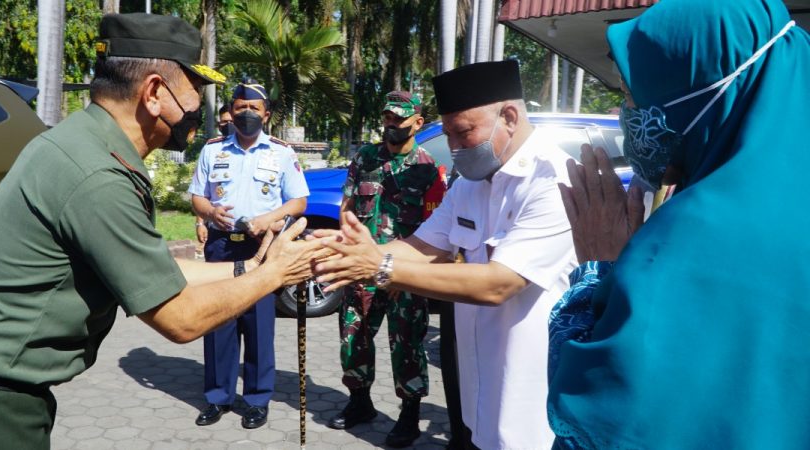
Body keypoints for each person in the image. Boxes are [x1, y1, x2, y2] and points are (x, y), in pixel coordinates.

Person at [0, 14, 322, 450]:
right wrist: (275, 276)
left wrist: (251, 265)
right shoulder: (98, 174)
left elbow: (152, 269)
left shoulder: (80, 140)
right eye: (195, 89)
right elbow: (181, 317)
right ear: (154, 92)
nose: (201, 108)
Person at [547, 0, 810, 447]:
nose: (625, 116)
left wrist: (599, 269)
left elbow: (599, 415)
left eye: (632, 96)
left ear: (706, 95)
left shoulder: (693, 241)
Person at [314, 60, 578, 450]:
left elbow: (499, 283)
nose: (453, 147)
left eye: (463, 132)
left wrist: (380, 267)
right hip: (478, 393)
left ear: (508, 116)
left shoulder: (552, 179)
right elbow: (424, 245)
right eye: (449, 134)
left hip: (530, 403)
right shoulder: (471, 183)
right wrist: (355, 254)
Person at [188, 80, 309, 429]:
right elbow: (197, 196)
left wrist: (271, 218)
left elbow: (299, 201)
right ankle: (217, 397)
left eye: (254, 108)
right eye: (240, 107)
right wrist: (210, 213)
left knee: (258, 326)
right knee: (219, 321)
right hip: (222, 246)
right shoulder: (212, 150)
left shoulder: (282, 153)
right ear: (231, 111)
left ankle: (257, 400)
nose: (246, 113)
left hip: (262, 246)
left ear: (266, 114)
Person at [329, 91, 446, 447]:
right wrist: (348, 252)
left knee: (407, 344)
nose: (391, 125)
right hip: (361, 270)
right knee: (353, 338)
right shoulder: (365, 157)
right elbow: (348, 206)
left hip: (404, 275)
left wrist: (402, 272)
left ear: (417, 123)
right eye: (387, 118)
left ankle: (409, 415)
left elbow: (435, 228)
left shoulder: (428, 168)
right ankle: (359, 403)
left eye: (399, 119)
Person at [195, 105, 234, 244]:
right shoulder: (212, 150)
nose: (229, 125)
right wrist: (200, 223)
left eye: (232, 121)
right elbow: (202, 193)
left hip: (253, 236)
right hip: (219, 235)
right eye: (224, 122)